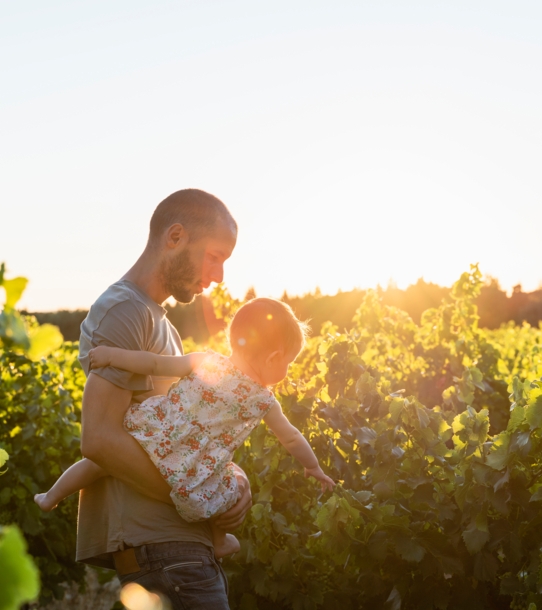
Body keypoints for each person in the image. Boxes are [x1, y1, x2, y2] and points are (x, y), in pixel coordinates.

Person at [36, 297, 334, 559]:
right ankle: (219, 541)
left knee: (99, 464)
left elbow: (153, 364)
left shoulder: (207, 362)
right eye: (288, 364)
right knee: (229, 488)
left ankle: (51, 496)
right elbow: (292, 438)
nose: (287, 372)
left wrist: (112, 356)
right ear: (273, 358)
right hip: (192, 466)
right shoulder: (263, 401)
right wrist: (313, 466)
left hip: (159, 432)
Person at [60, 189, 243, 609]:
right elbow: (100, 439)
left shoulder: (162, 326)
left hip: (179, 557)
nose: (218, 276)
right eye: (214, 256)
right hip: (166, 558)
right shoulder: (124, 312)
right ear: (175, 237)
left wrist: (230, 480)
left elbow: (176, 438)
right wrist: (200, 500)